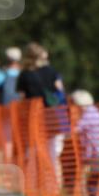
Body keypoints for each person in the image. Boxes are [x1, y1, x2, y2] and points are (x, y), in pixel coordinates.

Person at [17, 42, 68, 185]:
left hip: (34, 117)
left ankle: (36, 184)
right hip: (54, 115)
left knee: (35, 151)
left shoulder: (24, 75)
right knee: (54, 153)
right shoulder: (51, 71)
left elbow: (22, 98)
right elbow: (60, 91)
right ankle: (54, 186)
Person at [71, 90, 99, 196]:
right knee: (95, 176)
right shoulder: (96, 113)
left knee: (94, 177)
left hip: (98, 153)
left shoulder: (88, 115)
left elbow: (75, 130)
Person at [0, 47, 21, 161]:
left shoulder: (3, 74)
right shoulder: (22, 74)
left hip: (6, 109)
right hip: (21, 109)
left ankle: (8, 160)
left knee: (8, 137)